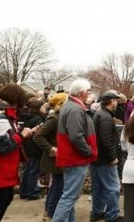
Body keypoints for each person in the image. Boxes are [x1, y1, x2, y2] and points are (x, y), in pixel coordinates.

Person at [52, 79, 98, 222]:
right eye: (88, 91)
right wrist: (88, 151)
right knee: (69, 197)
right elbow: (76, 136)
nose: (89, 93)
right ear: (81, 92)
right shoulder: (75, 109)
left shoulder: (71, 106)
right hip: (75, 159)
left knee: (69, 196)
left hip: (72, 158)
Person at [0, 84, 37, 222]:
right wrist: (21, 136)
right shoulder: (0, 118)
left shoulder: (3, 115)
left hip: (1, 170)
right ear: (16, 101)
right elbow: (2, 147)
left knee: (4, 200)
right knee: (0, 203)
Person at [33, 92, 68, 220]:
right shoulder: (54, 118)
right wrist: (50, 148)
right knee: (58, 187)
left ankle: (48, 212)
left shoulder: (60, 117)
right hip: (53, 159)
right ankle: (51, 214)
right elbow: (38, 136)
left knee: (56, 186)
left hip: (57, 158)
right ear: (61, 104)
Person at [90, 92, 123, 222]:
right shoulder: (105, 117)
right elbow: (106, 139)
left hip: (97, 158)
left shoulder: (100, 114)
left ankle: (97, 212)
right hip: (104, 159)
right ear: (111, 101)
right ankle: (112, 215)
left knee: (98, 187)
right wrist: (112, 157)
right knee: (113, 187)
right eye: (116, 100)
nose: (117, 103)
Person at [19, 97, 46, 200]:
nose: (44, 108)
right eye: (42, 106)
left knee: (28, 169)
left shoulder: (27, 117)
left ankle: (24, 191)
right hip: (35, 147)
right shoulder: (38, 119)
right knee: (34, 170)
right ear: (38, 108)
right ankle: (32, 192)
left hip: (27, 147)